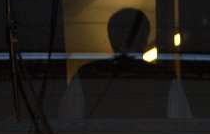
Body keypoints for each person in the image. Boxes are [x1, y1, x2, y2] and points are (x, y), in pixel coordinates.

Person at [60, 7, 189, 119]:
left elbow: (68, 124)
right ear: (145, 38)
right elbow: (181, 127)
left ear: (110, 38)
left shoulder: (88, 75)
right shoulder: (163, 78)